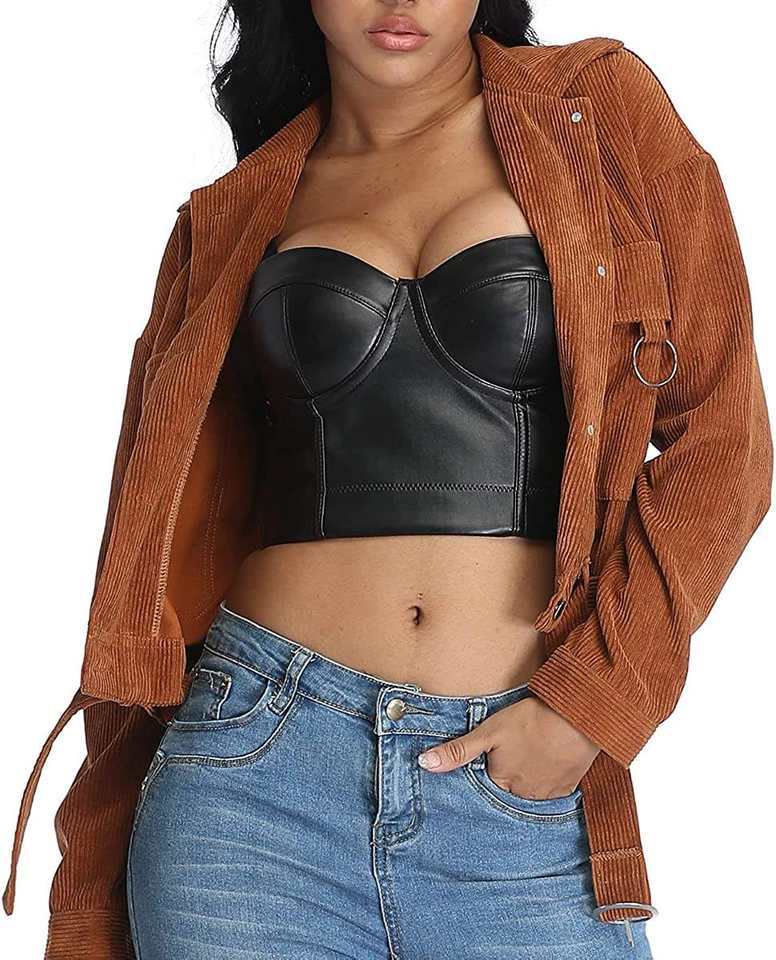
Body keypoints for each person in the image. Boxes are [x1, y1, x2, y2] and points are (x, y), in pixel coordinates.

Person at [4, 3, 772, 959]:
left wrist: (592, 705)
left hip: (520, 793)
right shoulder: (233, 213)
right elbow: (147, 540)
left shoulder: (596, 113)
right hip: (252, 784)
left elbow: (726, 445)